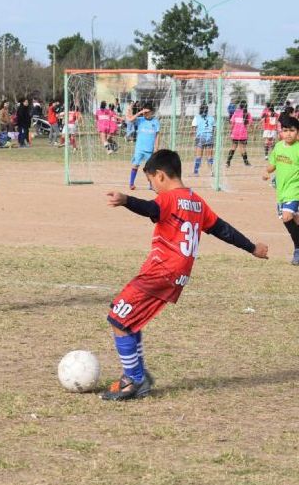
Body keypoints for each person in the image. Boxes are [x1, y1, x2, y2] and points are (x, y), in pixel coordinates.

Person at [103, 149, 268, 400]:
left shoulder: (169, 199)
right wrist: (251, 247)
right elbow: (222, 229)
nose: (152, 189)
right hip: (176, 274)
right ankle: (135, 375)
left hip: (161, 271)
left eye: (150, 182)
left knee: (118, 318)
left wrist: (126, 200)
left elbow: (150, 208)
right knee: (128, 319)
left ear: (159, 176)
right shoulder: (196, 201)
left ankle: (135, 380)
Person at [262, 116, 299, 264]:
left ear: (297, 133)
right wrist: (266, 172)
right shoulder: (278, 147)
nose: (288, 133)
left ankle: (297, 249)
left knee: (287, 217)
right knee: (295, 220)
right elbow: (273, 164)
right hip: (282, 191)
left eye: (292, 130)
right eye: (285, 130)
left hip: (295, 189)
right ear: (281, 132)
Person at [126, 102, 160, 190]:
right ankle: (131, 184)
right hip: (139, 149)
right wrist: (140, 112)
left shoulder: (155, 122)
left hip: (149, 149)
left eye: (147, 112)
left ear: (152, 112)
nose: (145, 114)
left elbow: (157, 135)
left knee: (150, 168)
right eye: (144, 113)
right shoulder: (140, 119)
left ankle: (151, 185)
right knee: (135, 165)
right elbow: (130, 119)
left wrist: (156, 147)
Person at [191, 104, 215, 175]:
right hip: (209, 137)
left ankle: (196, 172)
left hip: (200, 137)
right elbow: (213, 129)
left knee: (198, 155)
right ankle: (211, 171)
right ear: (207, 110)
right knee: (209, 155)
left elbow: (193, 129)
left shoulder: (196, 118)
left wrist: (193, 137)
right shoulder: (211, 118)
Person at [226, 101, 252, 167]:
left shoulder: (236, 112)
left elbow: (232, 123)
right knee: (242, 148)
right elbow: (249, 124)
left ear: (240, 106)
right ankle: (246, 162)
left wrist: (230, 131)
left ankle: (228, 162)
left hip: (235, 133)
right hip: (243, 133)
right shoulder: (247, 114)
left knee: (233, 147)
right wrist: (249, 131)